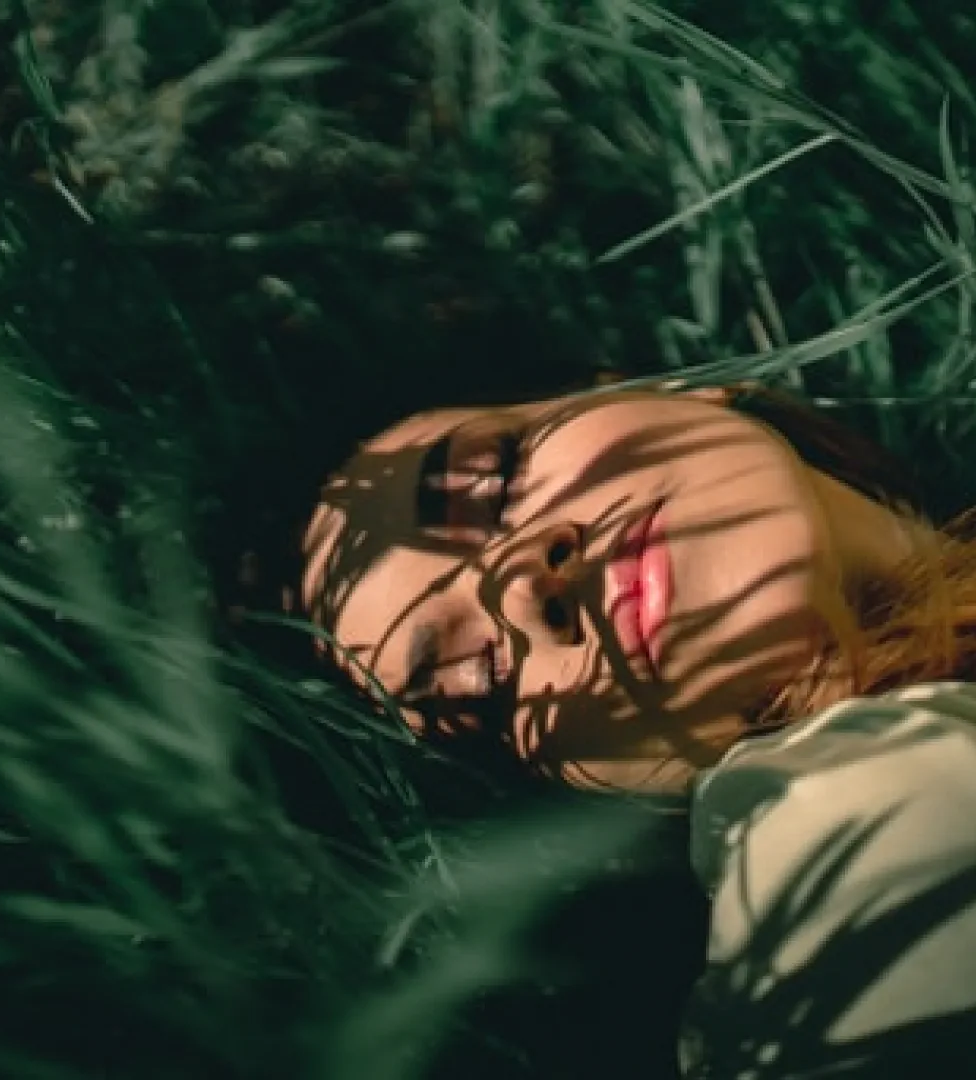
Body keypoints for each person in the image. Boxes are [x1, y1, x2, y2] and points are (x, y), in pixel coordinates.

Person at [295, 379, 976, 1076]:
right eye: (478, 675)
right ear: (564, 793)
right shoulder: (840, 845)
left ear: (690, 389)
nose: (520, 585)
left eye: (489, 481)